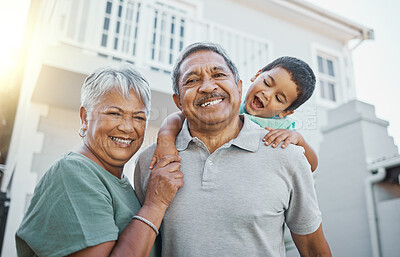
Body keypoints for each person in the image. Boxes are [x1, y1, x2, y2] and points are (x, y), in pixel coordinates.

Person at [134, 42, 332, 257]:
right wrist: (164, 140)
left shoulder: (287, 151)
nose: (208, 87)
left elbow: (313, 247)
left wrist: (300, 141)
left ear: (237, 87)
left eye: (218, 74)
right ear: (178, 101)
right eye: (192, 80)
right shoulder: (150, 162)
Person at [15, 63, 184, 257]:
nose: (128, 128)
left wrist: (166, 136)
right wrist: (155, 205)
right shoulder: (73, 172)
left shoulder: (117, 181)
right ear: (85, 117)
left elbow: (185, 113)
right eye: (114, 113)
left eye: (138, 117)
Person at [149, 56, 318, 172]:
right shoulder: (231, 103)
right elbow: (179, 116)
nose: (267, 94)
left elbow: (312, 165)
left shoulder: (284, 129)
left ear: (286, 112)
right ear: (257, 75)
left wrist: (299, 139)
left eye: (279, 98)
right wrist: (165, 140)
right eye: (267, 83)